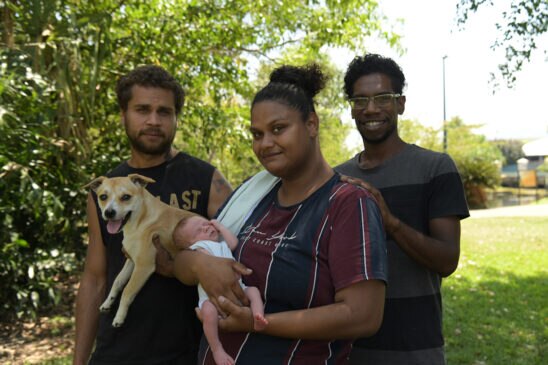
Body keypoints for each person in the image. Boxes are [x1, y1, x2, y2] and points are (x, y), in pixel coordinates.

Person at [172, 64, 388, 364]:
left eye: (278, 129)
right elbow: (180, 257)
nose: (265, 144)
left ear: (311, 124)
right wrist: (198, 264)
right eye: (257, 134)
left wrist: (258, 323)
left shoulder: (347, 204)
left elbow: (363, 316)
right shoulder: (254, 194)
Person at [73, 65, 234, 365]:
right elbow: (95, 278)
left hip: (186, 352)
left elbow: (240, 255)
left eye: (164, 112)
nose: (153, 120)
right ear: (124, 115)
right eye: (142, 109)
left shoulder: (205, 179)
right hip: (115, 353)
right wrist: (79, 361)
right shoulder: (105, 190)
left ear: (175, 118)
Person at [335, 53, 470, 364]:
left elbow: (448, 260)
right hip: (349, 352)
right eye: (360, 100)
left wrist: (390, 222)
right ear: (352, 108)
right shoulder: (337, 180)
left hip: (416, 352)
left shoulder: (435, 168)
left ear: (401, 104)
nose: (370, 109)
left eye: (383, 98)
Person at [172, 216, 268, 365]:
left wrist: (220, 227)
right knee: (209, 313)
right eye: (199, 230)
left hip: (238, 289)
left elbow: (234, 243)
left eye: (206, 223)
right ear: (190, 243)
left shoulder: (222, 244)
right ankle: (217, 349)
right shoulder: (199, 248)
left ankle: (258, 316)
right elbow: (210, 265)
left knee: (254, 291)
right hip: (211, 297)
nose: (205, 227)